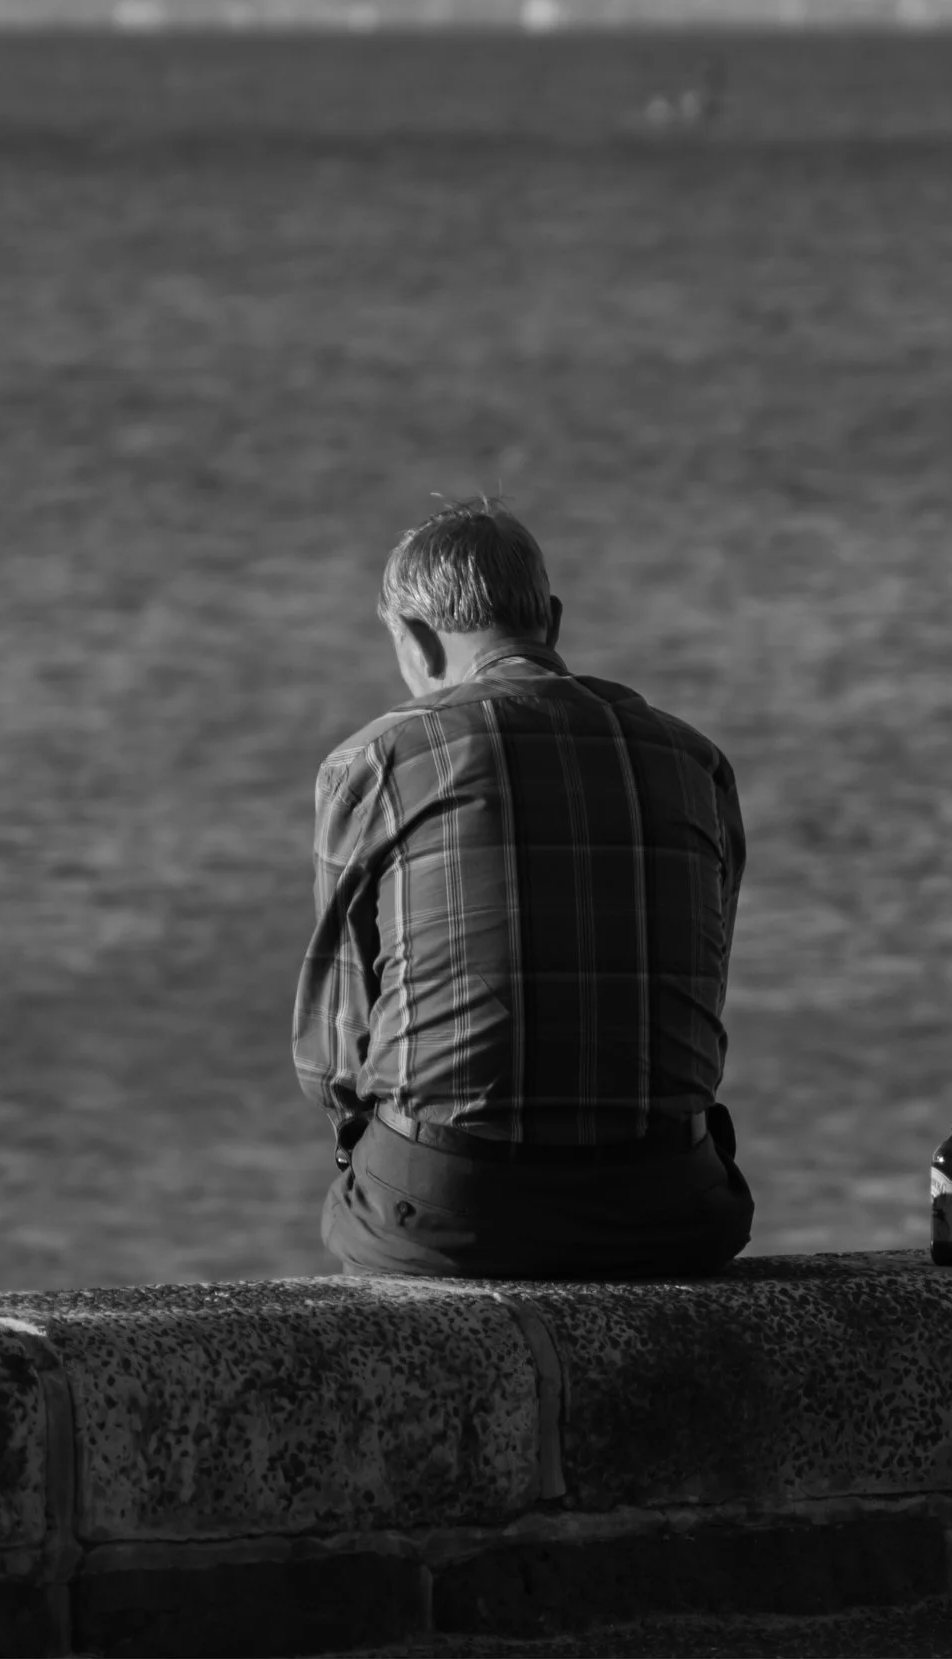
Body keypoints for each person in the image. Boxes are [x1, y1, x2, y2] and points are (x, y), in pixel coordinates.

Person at [291, 499, 753, 1278]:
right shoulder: (694, 761)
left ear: (415, 636)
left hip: (453, 1208)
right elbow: (703, 988)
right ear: (552, 622)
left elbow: (333, 1053)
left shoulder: (379, 760)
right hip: (670, 1207)